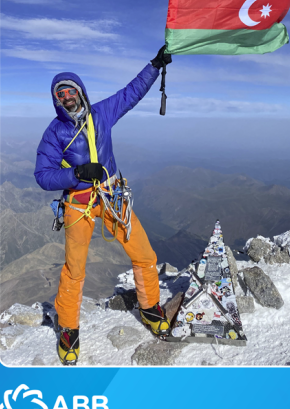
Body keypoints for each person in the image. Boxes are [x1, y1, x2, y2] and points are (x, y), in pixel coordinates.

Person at [34, 46, 173, 365]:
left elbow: (131, 92)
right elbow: (43, 175)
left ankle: (150, 308)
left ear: (81, 91)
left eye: (71, 90)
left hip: (111, 196)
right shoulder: (55, 133)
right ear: (57, 100)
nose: (67, 96)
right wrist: (77, 173)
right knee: (74, 270)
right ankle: (68, 329)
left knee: (144, 255)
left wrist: (154, 65)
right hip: (78, 203)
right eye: (61, 93)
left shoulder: (102, 113)